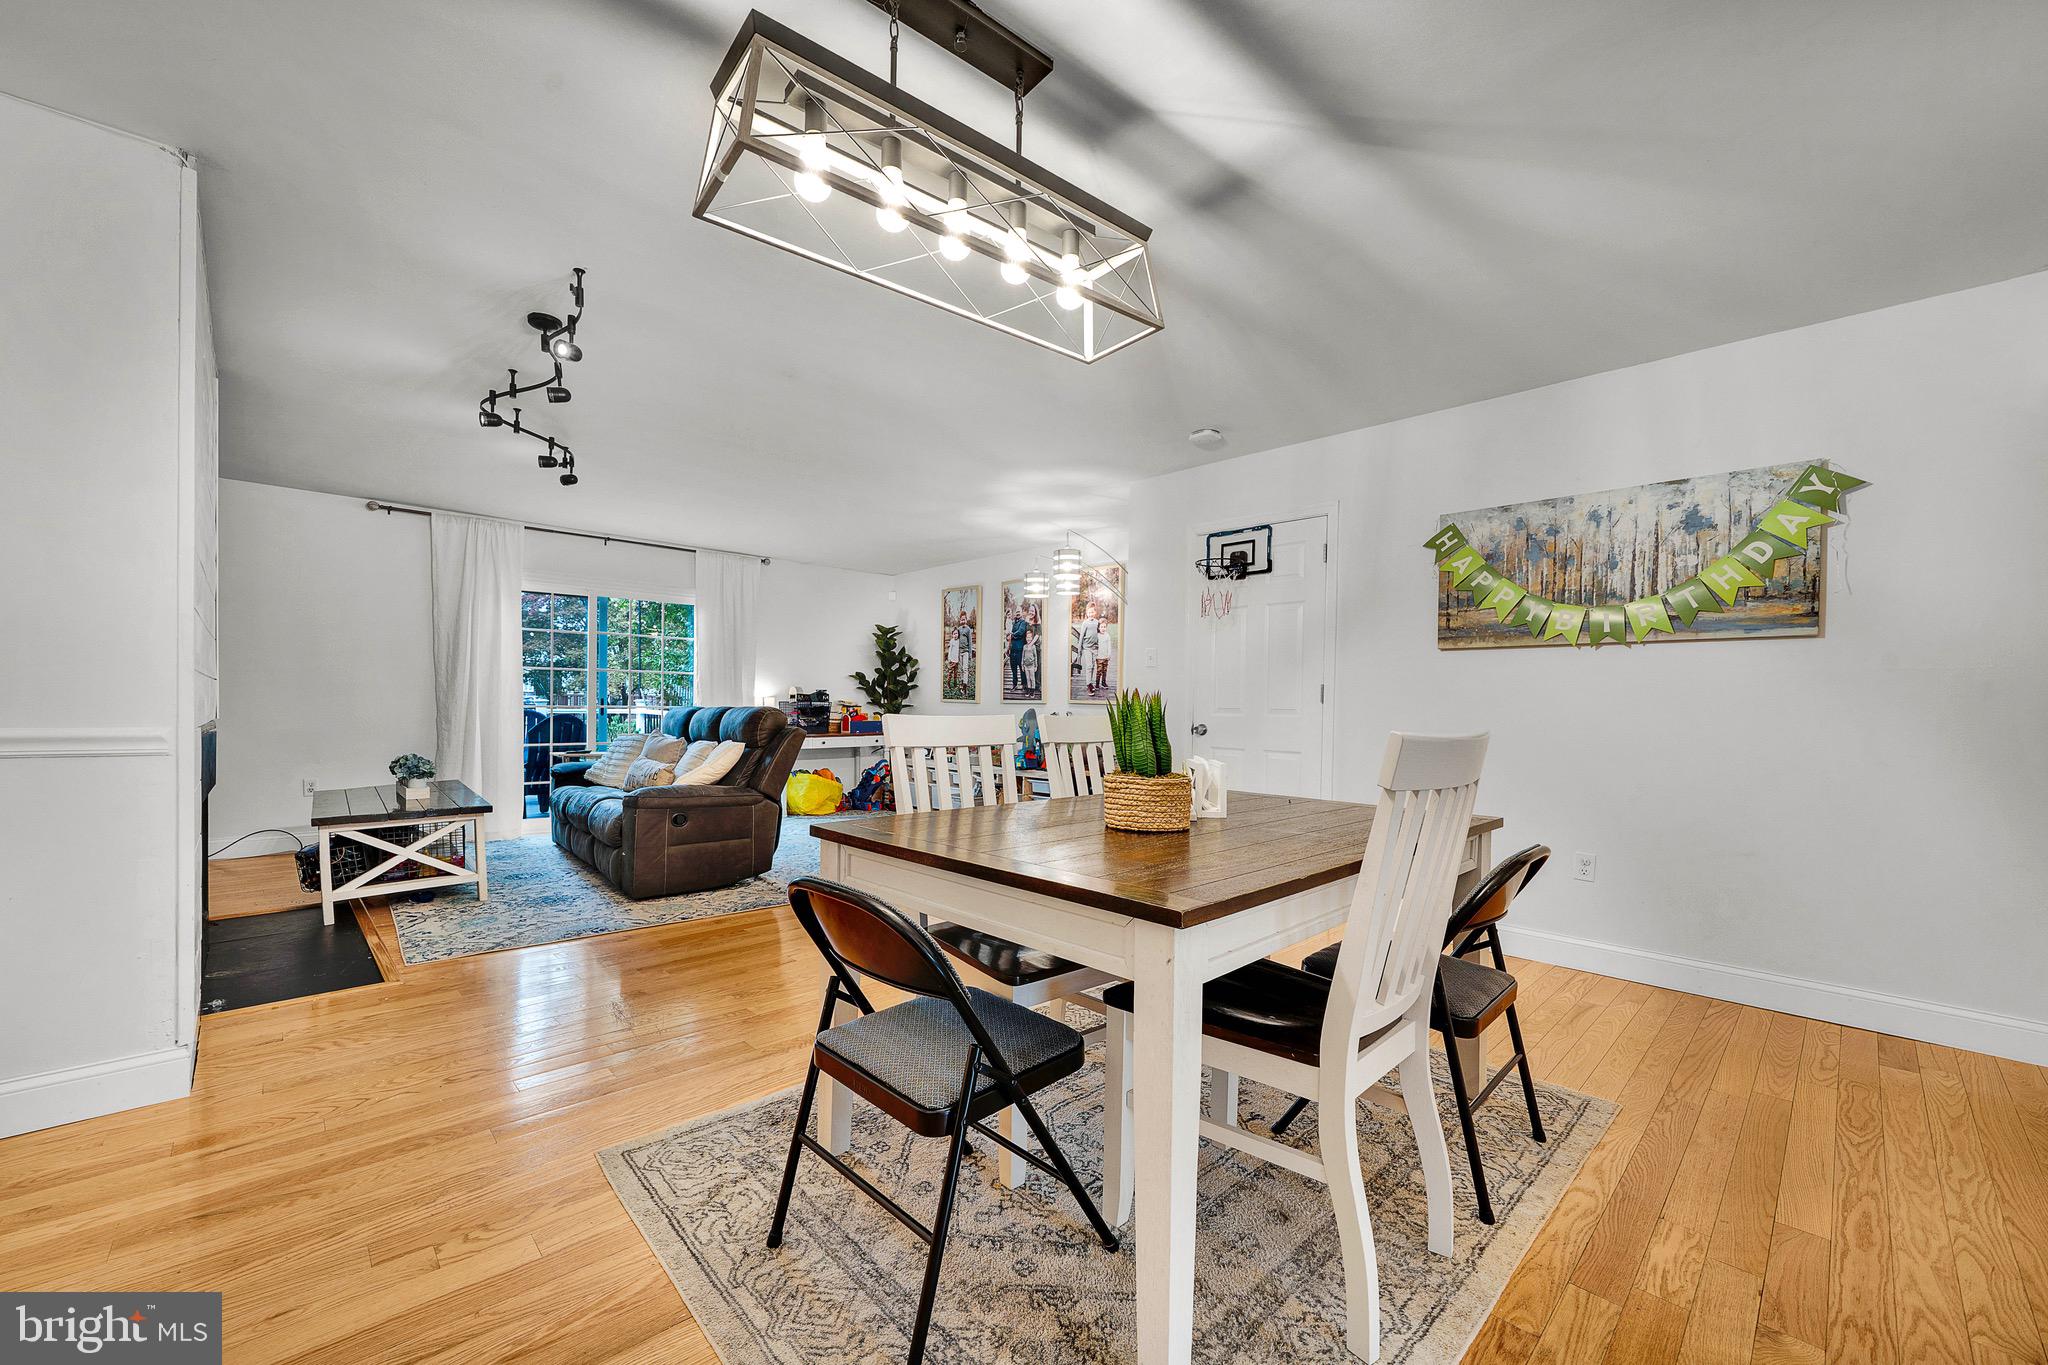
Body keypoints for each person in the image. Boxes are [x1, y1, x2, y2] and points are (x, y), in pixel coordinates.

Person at [1076, 604, 1100, 698]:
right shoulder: (1085, 623)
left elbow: (1098, 634)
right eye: (1089, 612)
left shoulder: (1097, 622)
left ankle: (1090, 683)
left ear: (1095, 612)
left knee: (1093, 666)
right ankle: (1088, 684)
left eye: (1092, 612)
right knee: (1089, 666)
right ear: (1087, 613)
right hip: (1087, 647)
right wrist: (1079, 649)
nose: (1091, 614)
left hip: (1095, 648)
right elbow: (1081, 636)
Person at [1008, 603, 1031, 692]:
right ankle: (1014, 684)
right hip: (1012, 649)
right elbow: (1009, 633)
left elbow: (1021, 632)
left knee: (1021, 668)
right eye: (1016, 612)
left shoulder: (1023, 622)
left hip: (1020, 649)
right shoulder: (1013, 623)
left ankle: (1023, 685)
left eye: (1019, 611)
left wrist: (1012, 635)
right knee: (1013, 669)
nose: (1017, 613)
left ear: (1021, 613)